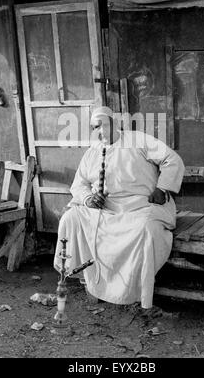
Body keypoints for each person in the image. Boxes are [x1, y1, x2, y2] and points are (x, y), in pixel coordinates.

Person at [54, 106, 185, 309]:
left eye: (103, 125)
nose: (99, 131)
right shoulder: (92, 152)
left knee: (145, 229)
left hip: (141, 205)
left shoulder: (138, 140)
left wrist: (163, 187)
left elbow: (172, 159)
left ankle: (136, 288)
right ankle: (87, 278)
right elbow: (79, 183)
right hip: (106, 209)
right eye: (94, 127)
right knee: (70, 219)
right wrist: (89, 198)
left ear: (115, 124)